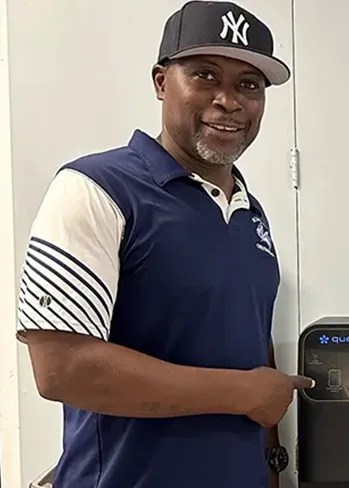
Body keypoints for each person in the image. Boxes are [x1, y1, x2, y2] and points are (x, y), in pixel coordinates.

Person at [15, 2, 314, 487]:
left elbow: (253, 349)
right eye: (204, 75)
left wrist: (271, 466)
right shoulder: (95, 188)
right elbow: (62, 369)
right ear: (160, 82)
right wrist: (242, 393)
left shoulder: (249, 212)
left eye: (249, 85)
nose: (229, 100)